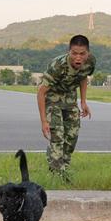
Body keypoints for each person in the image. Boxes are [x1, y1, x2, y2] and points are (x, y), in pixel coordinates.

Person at [37, 35, 94, 179]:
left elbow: (83, 78)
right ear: (69, 52)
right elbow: (41, 92)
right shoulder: (58, 65)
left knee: (72, 136)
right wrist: (44, 121)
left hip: (70, 99)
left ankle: (64, 167)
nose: (78, 58)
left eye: (82, 54)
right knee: (58, 136)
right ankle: (57, 174)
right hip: (52, 98)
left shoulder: (90, 62)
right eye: (74, 53)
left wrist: (83, 101)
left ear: (88, 53)